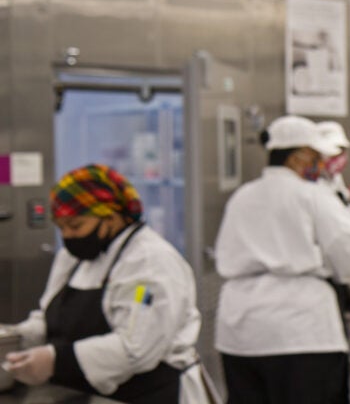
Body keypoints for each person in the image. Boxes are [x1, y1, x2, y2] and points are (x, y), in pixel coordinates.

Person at [214, 115, 350, 404]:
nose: (320, 166)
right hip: (301, 332)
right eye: (317, 157)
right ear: (299, 155)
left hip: (240, 331)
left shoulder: (242, 196)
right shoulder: (312, 195)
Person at [3, 164, 202, 403]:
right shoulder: (72, 258)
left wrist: (54, 359)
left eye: (76, 226)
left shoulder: (150, 263)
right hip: (83, 394)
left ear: (111, 217)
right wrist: (16, 337)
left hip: (149, 395)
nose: (67, 236)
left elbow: (137, 349)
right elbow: (49, 316)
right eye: (61, 227)